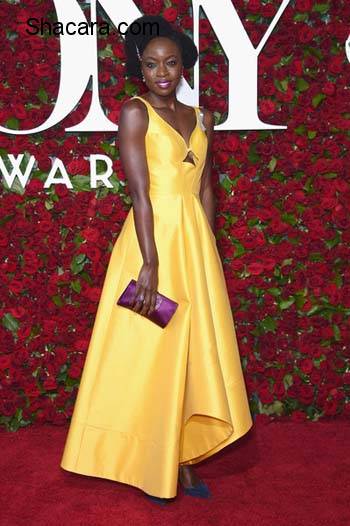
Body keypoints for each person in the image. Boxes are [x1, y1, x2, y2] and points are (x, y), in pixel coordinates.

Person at [60, 14, 253, 505]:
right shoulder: (134, 113)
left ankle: (183, 457)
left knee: (191, 352)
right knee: (151, 353)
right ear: (139, 70)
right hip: (151, 245)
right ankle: (150, 460)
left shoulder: (203, 117)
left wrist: (206, 248)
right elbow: (140, 195)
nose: (162, 71)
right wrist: (150, 263)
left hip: (192, 247)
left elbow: (207, 187)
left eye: (170, 62)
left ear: (184, 65)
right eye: (151, 64)